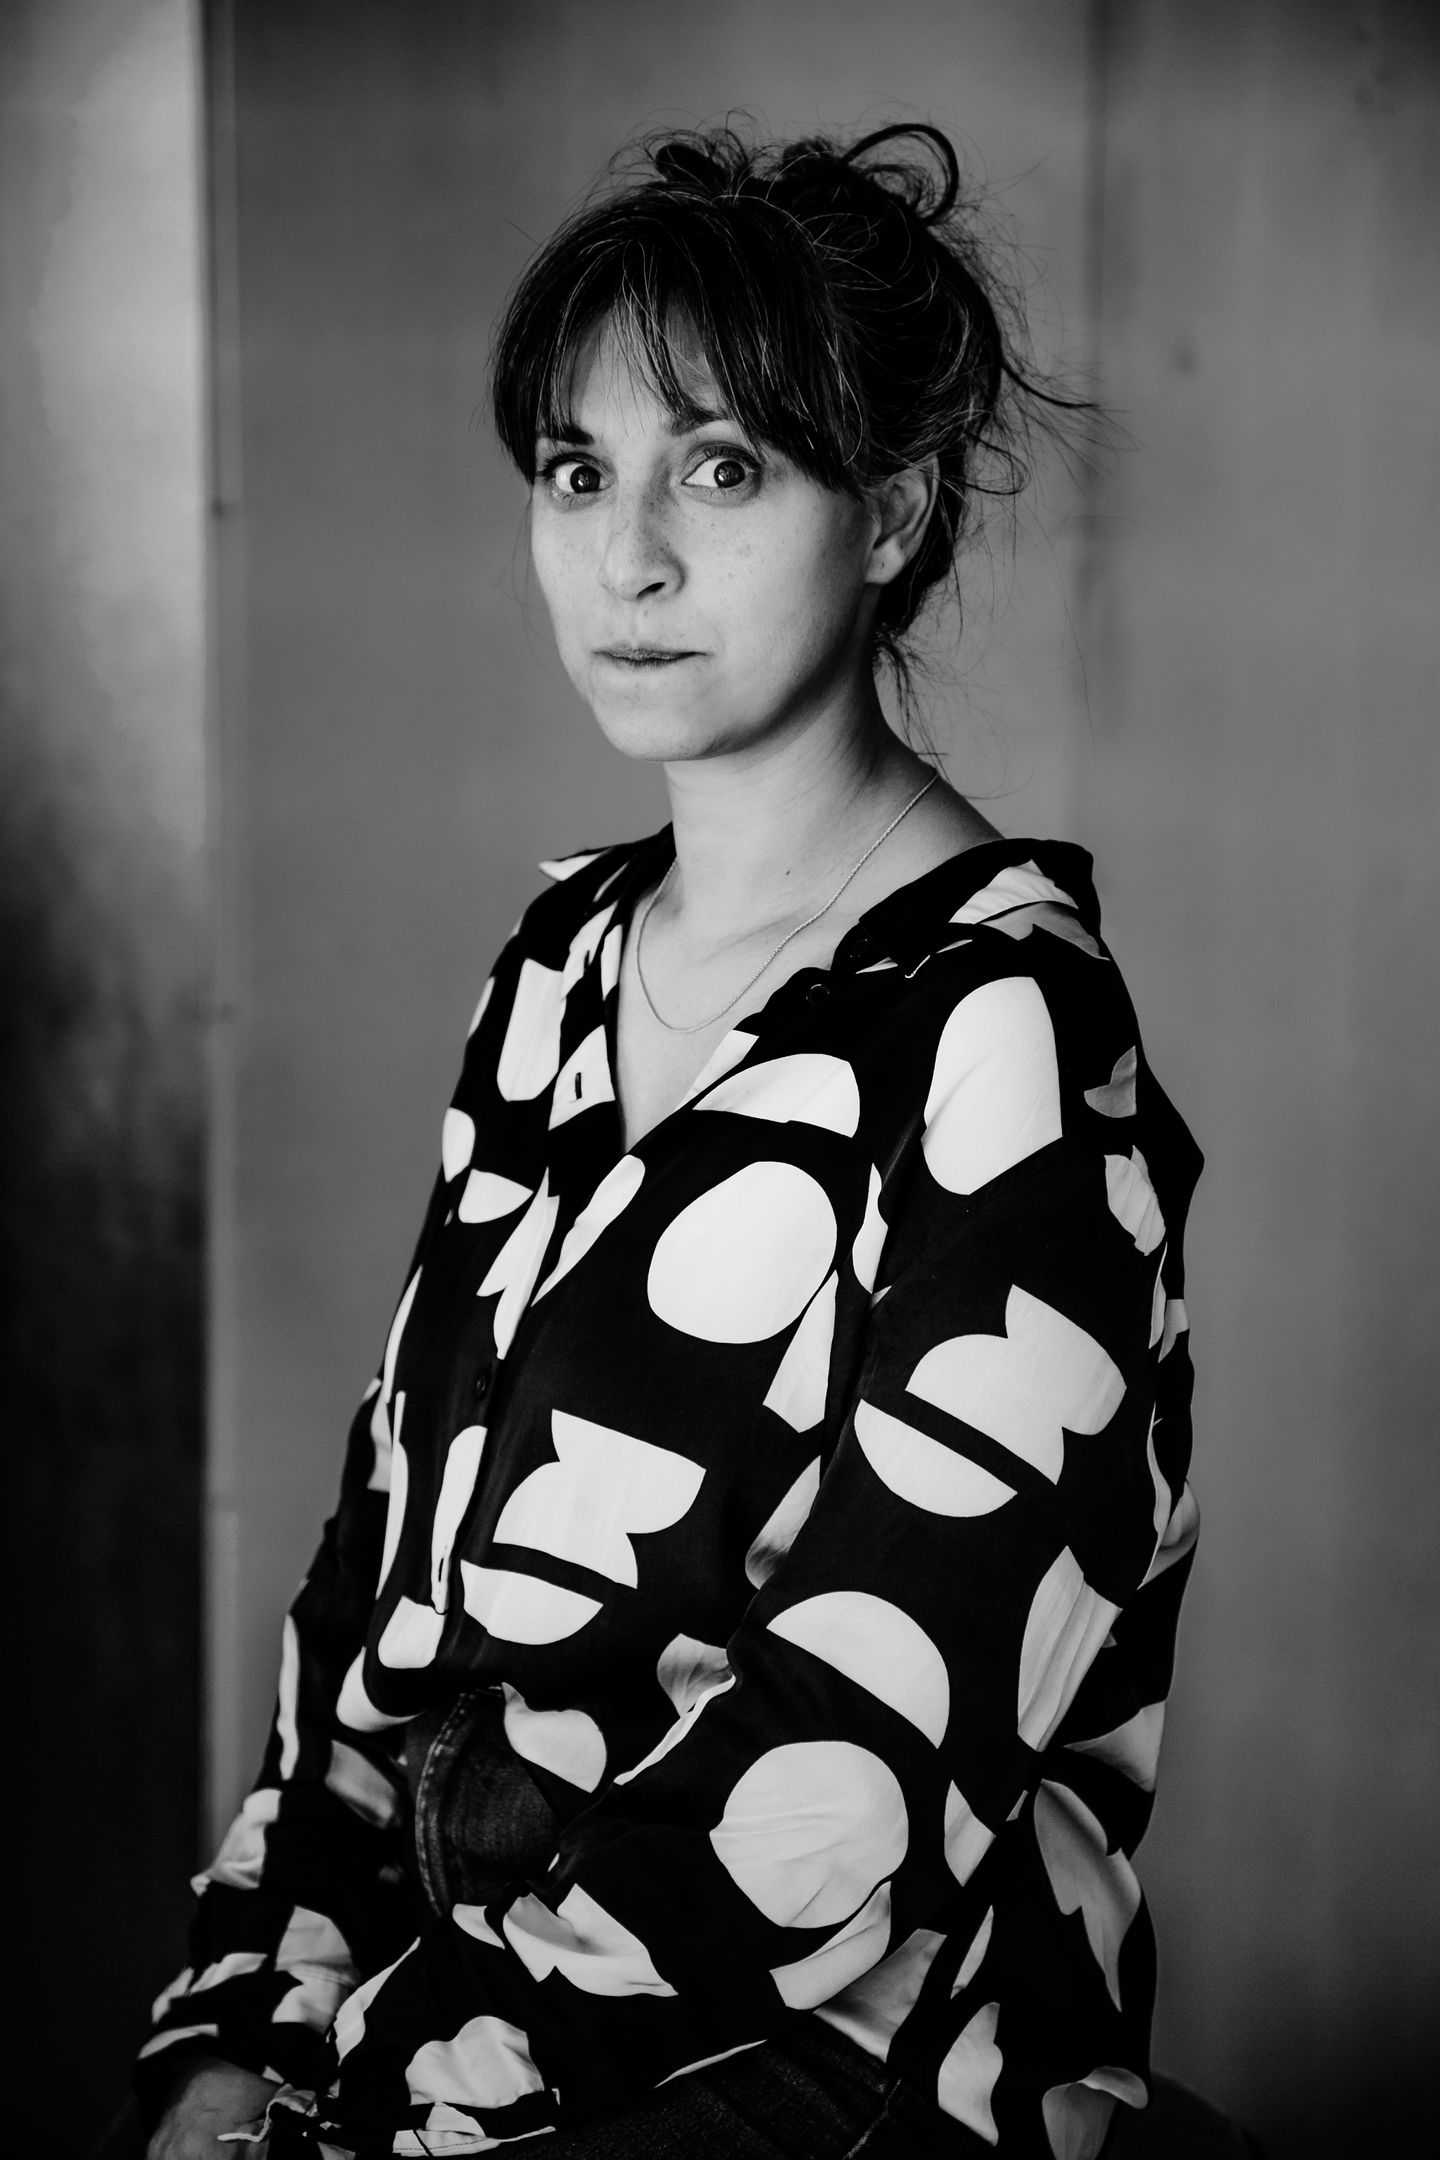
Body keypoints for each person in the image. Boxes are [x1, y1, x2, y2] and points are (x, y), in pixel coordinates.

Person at [140, 124, 1202, 2160]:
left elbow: (858, 1781)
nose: (625, 556)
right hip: (458, 1990)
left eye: (719, 471)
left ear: (891, 511)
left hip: (828, 2050)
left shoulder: (1005, 1027)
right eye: (576, 470)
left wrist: (404, 2087)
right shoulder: (561, 963)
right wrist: (246, 2014)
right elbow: (378, 1587)